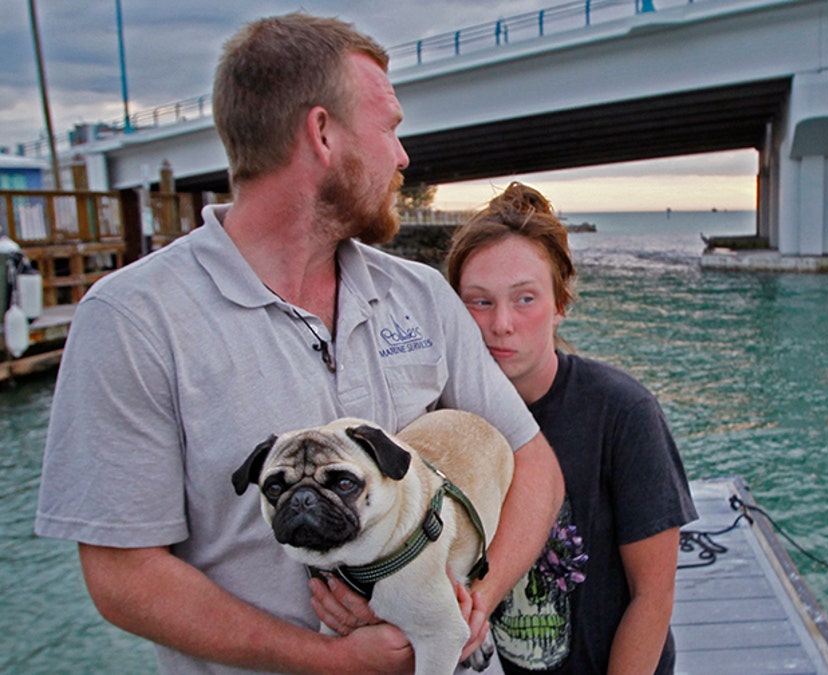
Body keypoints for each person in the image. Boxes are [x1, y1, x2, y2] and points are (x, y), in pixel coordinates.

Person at [34, 14, 563, 674]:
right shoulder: (133, 319)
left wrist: (466, 603)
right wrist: (330, 658)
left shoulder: (423, 295)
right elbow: (123, 575)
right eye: (390, 127)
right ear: (321, 133)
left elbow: (533, 461)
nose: (403, 156)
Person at [444, 183, 698, 674]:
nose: (501, 324)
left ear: (560, 303)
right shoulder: (448, 422)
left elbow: (653, 596)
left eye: (524, 299)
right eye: (479, 302)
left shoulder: (624, 413)